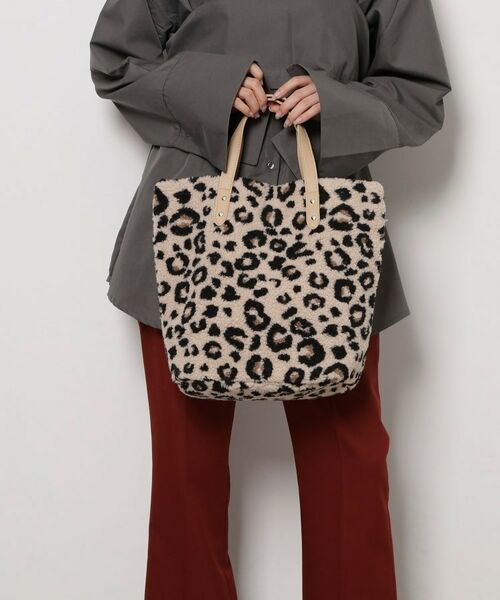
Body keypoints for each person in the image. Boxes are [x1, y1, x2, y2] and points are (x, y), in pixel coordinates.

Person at [89, 0, 451, 597]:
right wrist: (214, 87)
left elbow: (419, 92)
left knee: (349, 474)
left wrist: (333, 103)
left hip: (328, 248)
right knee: (186, 477)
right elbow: (117, 60)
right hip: (189, 241)